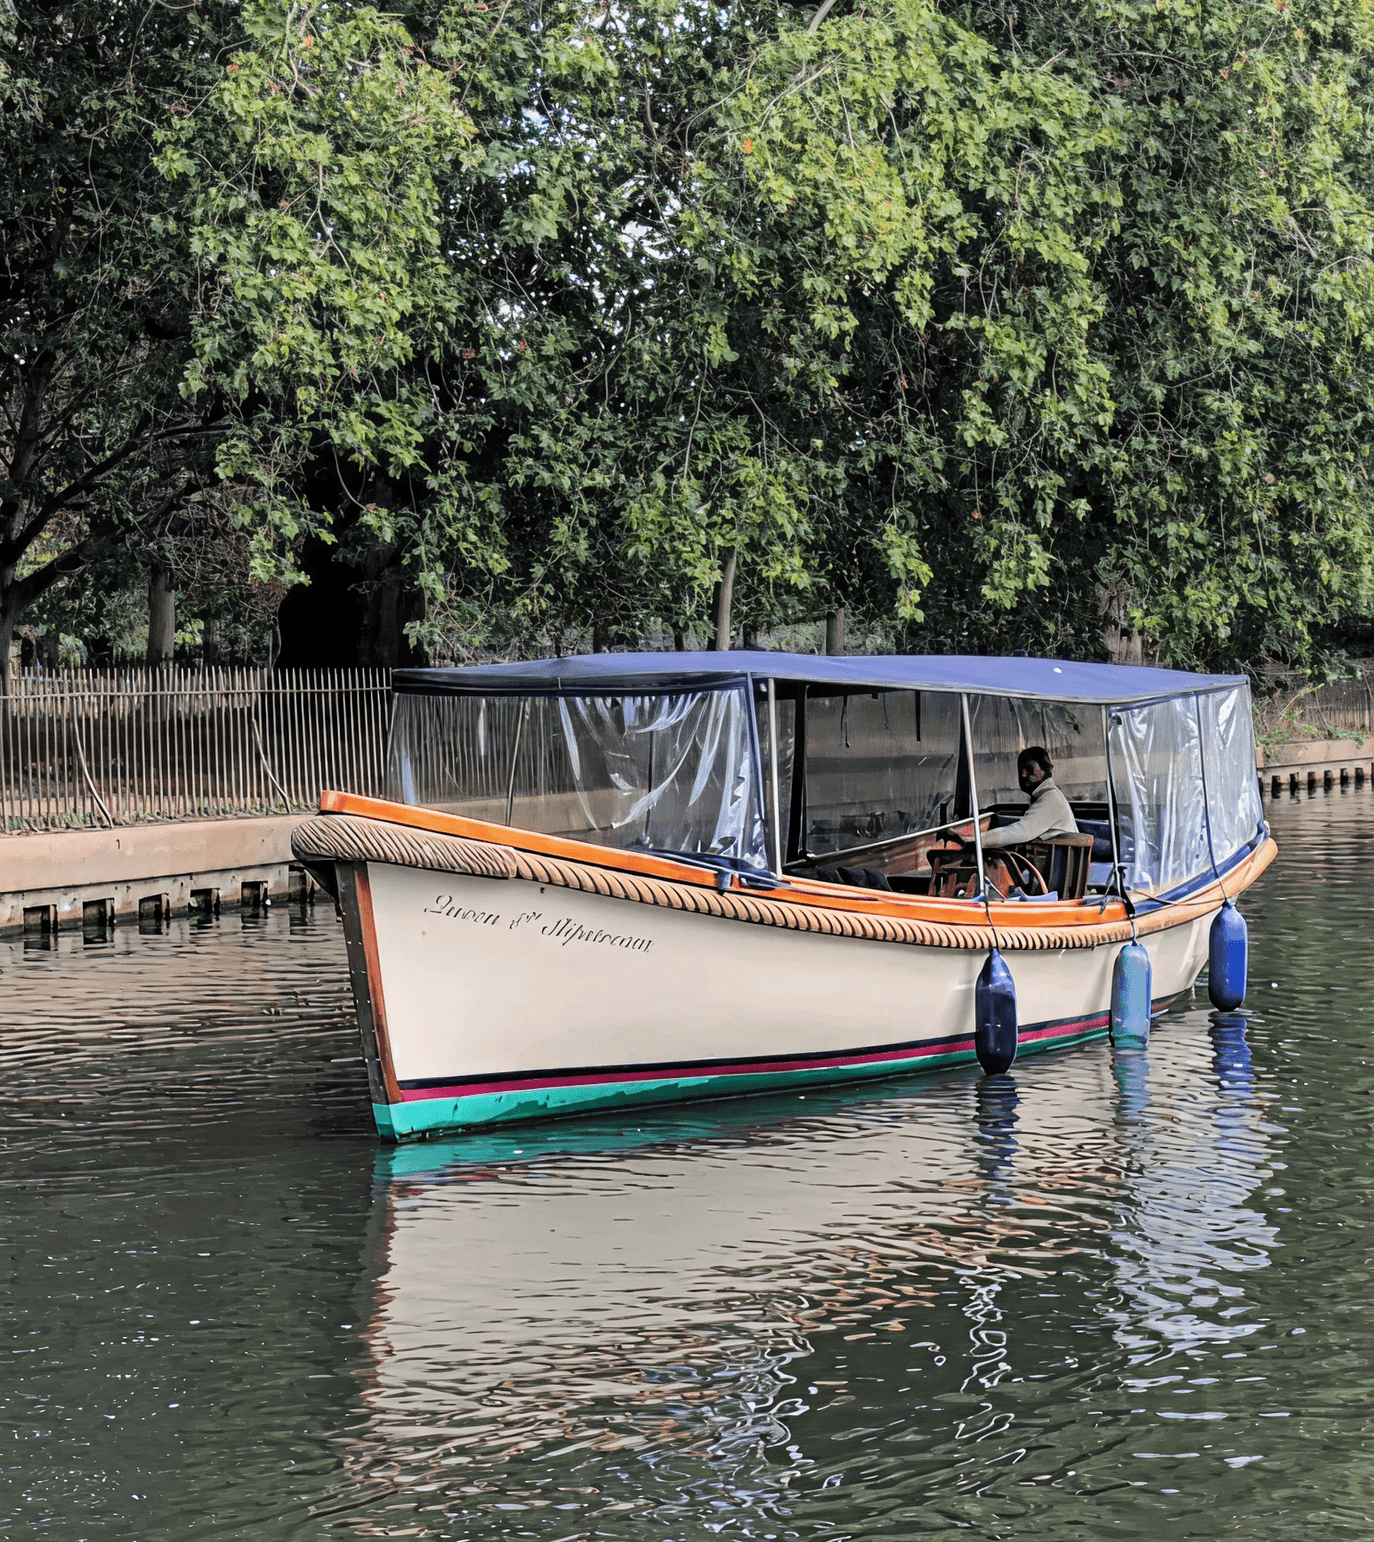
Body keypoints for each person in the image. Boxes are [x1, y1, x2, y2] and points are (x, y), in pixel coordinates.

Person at [945, 746, 1078, 852]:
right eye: (1020, 769)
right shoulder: (1048, 797)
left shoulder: (1051, 800)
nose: (1022, 774)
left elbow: (1017, 832)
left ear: (1046, 770)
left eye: (1028, 768)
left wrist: (971, 840)